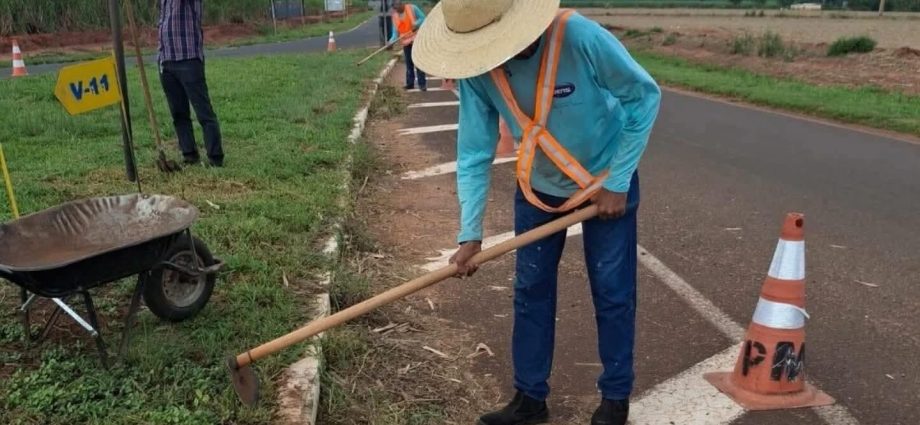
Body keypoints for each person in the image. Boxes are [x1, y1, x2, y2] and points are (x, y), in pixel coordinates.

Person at [412, 1, 661, 424]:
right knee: (531, 291)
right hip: (537, 190)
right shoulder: (478, 71)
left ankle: (615, 399)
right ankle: (529, 400)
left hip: (605, 184)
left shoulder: (579, 37)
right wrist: (469, 233)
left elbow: (643, 97)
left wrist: (618, 182)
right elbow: (474, 151)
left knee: (613, 292)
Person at [157, 0, 224, 167]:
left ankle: (215, 157)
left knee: (204, 112)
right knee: (178, 114)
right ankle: (189, 154)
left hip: (189, 59)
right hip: (167, 60)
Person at [389, 1, 427, 91]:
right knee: (409, 63)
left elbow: (424, 18)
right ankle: (410, 83)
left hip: (416, 39)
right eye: (395, 8)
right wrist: (391, 41)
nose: (396, 10)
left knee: (418, 62)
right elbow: (395, 32)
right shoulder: (395, 16)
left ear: (402, 4)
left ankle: (422, 84)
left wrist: (416, 24)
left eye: (397, 7)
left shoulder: (412, 8)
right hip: (406, 42)